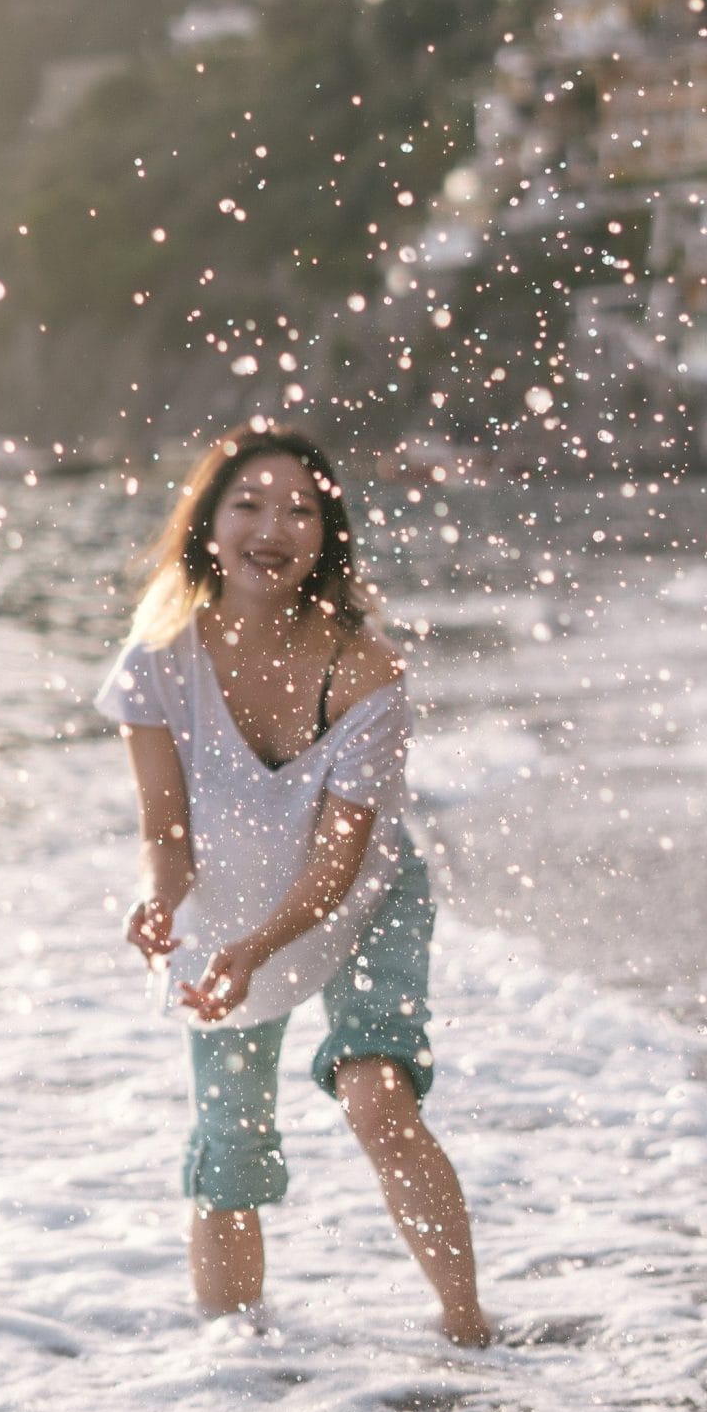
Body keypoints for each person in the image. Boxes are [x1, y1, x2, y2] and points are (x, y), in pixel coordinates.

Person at [95, 423, 490, 1346]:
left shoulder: (365, 673)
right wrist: (158, 901)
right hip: (226, 906)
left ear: (326, 539)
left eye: (300, 509)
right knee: (227, 1148)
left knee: (375, 1097)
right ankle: (238, 1371)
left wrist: (253, 950)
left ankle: (469, 1333)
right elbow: (167, 829)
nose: (273, 525)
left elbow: (337, 863)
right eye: (248, 503)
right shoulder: (155, 661)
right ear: (207, 524)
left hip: (357, 904)